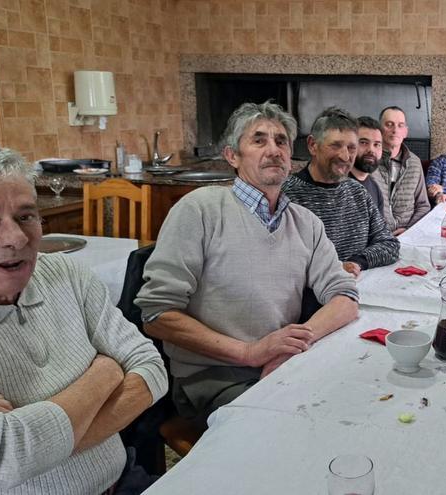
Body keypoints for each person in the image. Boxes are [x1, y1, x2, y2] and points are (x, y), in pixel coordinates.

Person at [0, 147, 167, 493]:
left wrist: (35, 436)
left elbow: (152, 368)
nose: (17, 238)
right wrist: (107, 370)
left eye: (26, 216)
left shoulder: (66, 274)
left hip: (119, 482)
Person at [136, 102, 359, 428]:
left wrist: (289, 347)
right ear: (232, 156)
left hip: (282, 365)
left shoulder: (305, 223)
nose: (274, 150)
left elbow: (345, 299)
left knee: (353, 404)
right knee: (299, 429)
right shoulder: (201, 209)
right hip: (214, 378)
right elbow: (156, 315)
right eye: (259, 140)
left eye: (281, 141)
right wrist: (250, 353)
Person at [283, 107, 399, 277]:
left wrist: (357, 262)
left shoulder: (357, 192)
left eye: (352, 148)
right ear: (313, 145)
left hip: (359, 292)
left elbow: (390, 244)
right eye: (336, 145)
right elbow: (281, 263)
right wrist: (335, 269)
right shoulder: (287, 196)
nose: (345, 157)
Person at [373, 106, 431, 235]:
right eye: (389, 125)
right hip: (376, 236)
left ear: (405, 132)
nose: (395, 130)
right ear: (379, 130)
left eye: (400, 125)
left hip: (407, 234)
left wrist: (409, 230)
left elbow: (423, 205)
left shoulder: (414, 163)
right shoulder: (370, 162)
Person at [350, 116, 386, 218]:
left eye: (376, 144)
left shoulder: (375, 188)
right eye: (364, 143)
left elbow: (380, 230)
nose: (371, 150)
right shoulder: (337, 184)